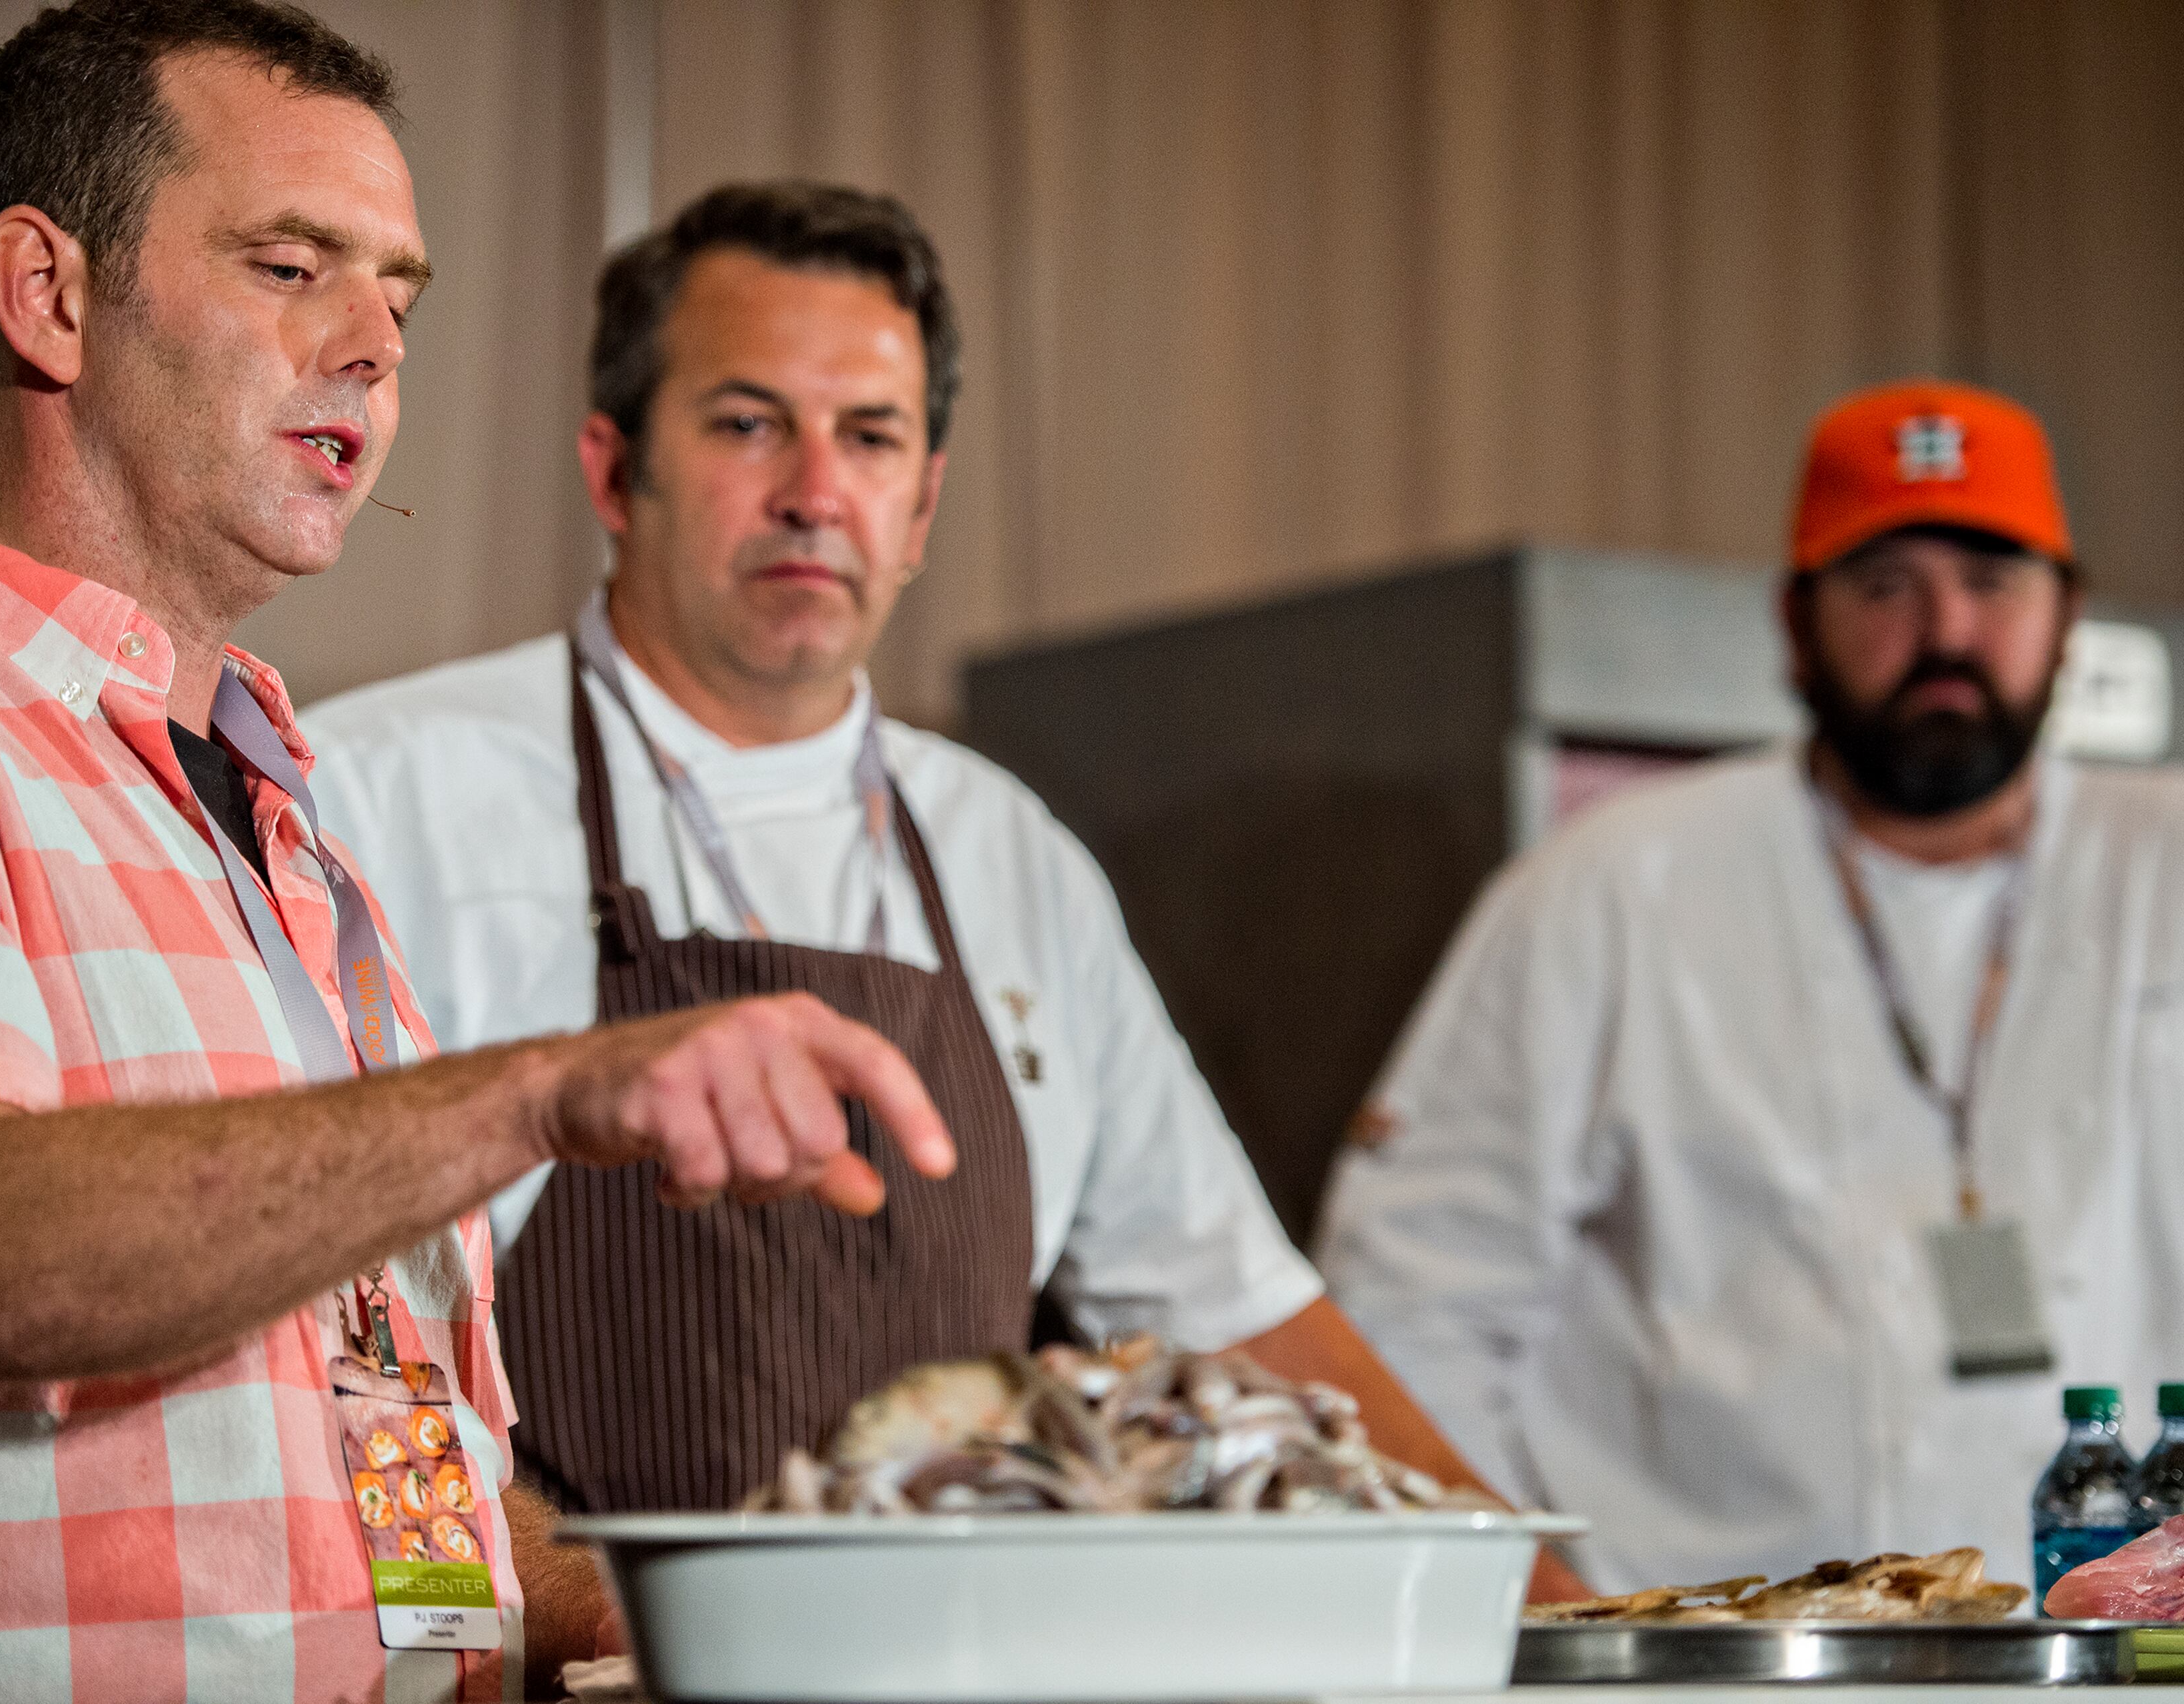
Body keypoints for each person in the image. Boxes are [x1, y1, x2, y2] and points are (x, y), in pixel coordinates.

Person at [0, 8, 961, 1699]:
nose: (377, 345)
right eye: (293, 264)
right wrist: (536, 1097)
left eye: (400, 292)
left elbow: (386, 1454)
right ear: (50, 294)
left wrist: (711, 1605)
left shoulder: (278, 814)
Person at [300, 180, 1573, 1587]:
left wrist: (1570, 1618)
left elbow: (1240, 1316)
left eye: (872, 436)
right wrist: (537, 1615)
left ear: (923, 506)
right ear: (613, 473)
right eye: (746, 424)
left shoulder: (1006, 850)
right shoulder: (375, 796)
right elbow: (314, 1360)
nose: (814, 492)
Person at [1316, 379, 2184, 1593]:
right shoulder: (1610, 889)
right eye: (1884, 584)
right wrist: (1541, 1617)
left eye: (1993, 578)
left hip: (2143, 1661)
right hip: (1716, 1666)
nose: (1945, 629)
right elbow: (1408, 1306)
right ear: (1795, 625)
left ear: (2069, 615)